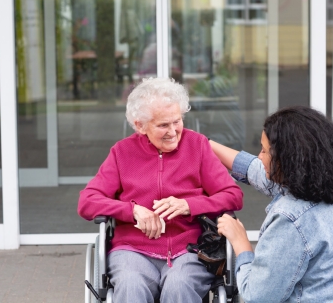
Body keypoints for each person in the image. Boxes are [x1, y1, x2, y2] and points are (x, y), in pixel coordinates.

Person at [78, 77, 243, 303]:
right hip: (132, 250)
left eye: (177, 121)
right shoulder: (122, 152)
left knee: (179, 287)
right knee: (130, 286)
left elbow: (233, 195)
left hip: (189, 250)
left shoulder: (198, 146)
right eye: (163, 125)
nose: (173, 131)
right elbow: (87, 202)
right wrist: (133, 211)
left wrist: (189, 205)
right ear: (140, 125)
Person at [210, 106, 333, 303]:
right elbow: (257, 170)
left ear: (287, 161)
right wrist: (204, 144)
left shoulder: (292, 219)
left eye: (264, 151)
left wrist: (241, 242)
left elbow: (257, 296)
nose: (259, 156)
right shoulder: (328, 189)